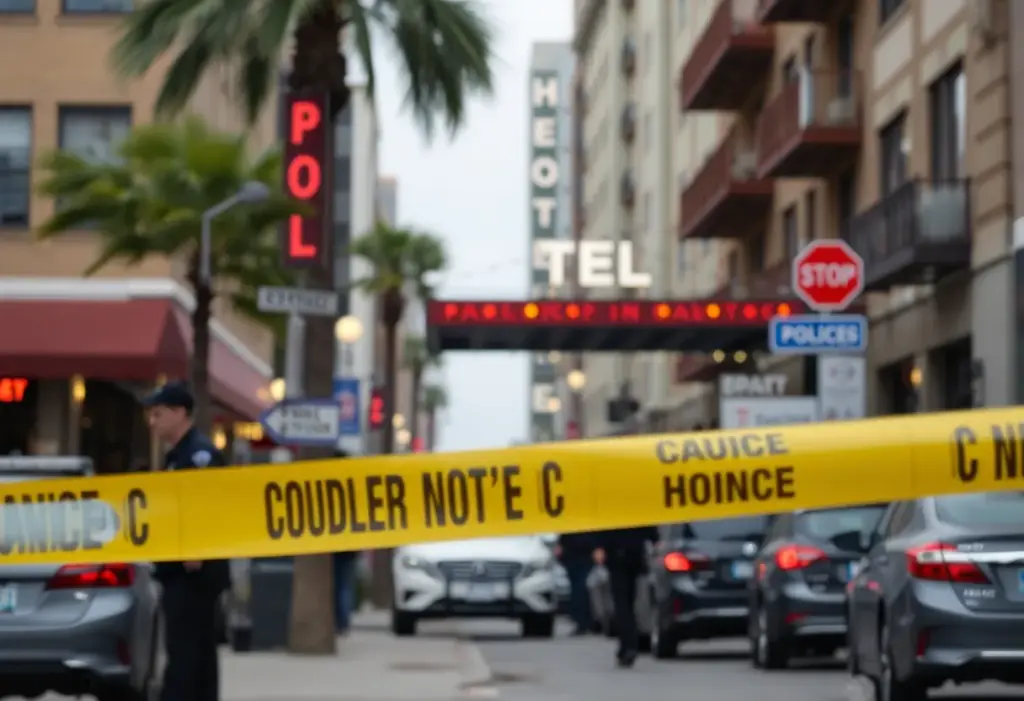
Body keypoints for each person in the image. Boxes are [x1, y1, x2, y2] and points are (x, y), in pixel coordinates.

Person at [144, 381, 230, 701]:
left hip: (192, 574)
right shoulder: (177, 456)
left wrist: (197, 550)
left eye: (158, 414)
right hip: (179, 570)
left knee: (187, 655)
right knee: (195, 654)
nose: (152, 422)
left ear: (180, 413)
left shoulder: (199, 456)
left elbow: (209, 508)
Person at [592, 525, 659, 668]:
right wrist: (654, 539)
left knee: (622, 604)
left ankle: (629, 646)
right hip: (633, 553)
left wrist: (599, 546)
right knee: (628, 603)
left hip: (619, 554)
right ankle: (627, 646)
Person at [332, 449, 359, 633]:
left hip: (338, 548)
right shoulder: (352, 487)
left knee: (340, 585)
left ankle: (341, 622)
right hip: (349, 547)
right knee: (344, 585)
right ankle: (343, 622)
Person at [556, 531, 596, 635]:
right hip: (573, 557)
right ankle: (582, 622)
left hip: (586, 557)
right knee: (577, 591)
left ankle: (584, 622)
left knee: (580, 591)